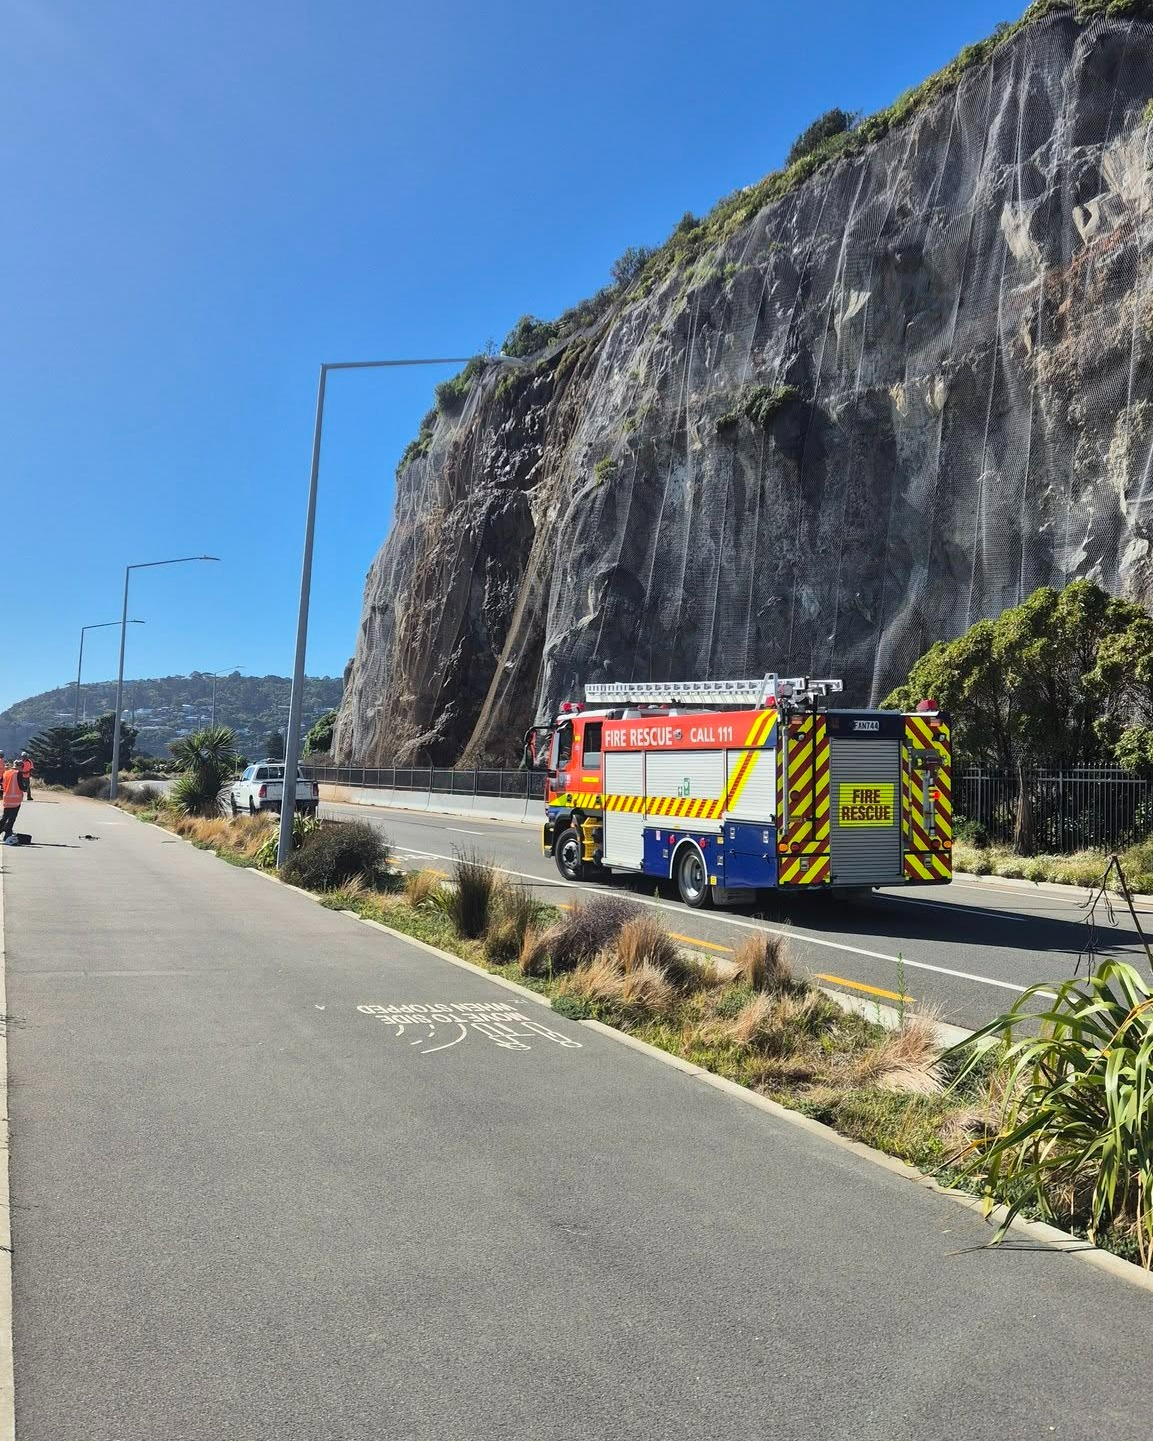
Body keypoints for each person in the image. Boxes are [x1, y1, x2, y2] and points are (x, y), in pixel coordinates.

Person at [1, 763, 21, 839]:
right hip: (15, 799)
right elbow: (21, 785)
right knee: (12, 817)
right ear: (19, 766)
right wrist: (25, 788)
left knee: (5, 817)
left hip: (6, 797)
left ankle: (4, 831)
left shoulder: (6, 772)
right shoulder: (17, 773)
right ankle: (8, 833)